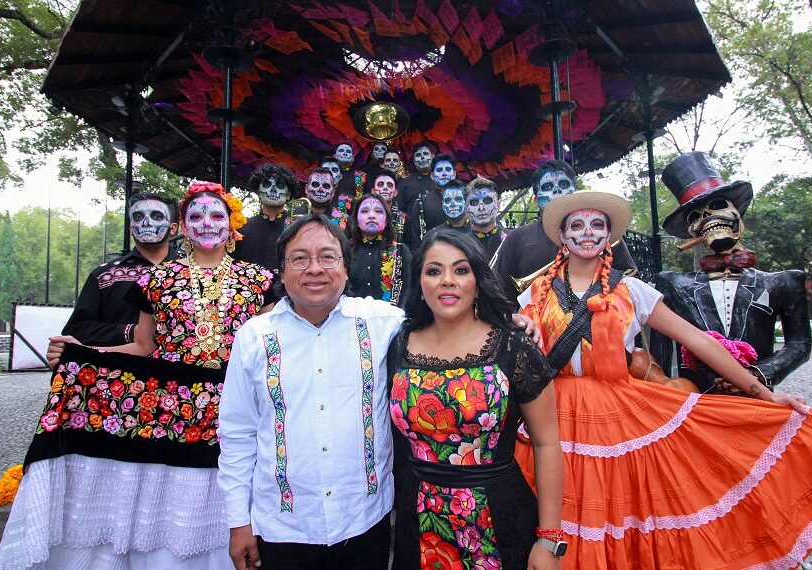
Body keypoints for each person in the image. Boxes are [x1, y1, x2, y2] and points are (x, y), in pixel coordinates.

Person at [514, 191, 812, 569]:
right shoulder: (534, 294)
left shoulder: (633, 291)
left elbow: (698, 341)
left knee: (623, 517)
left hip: (620, 419)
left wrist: (764, 395)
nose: (587, 232)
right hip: (550, 415)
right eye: (577, 225)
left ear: (609, 236)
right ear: (562, 236)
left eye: (597, 224)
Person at [0, 181, 276, 569]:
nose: (207, 223)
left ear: (232, 225)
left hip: (238, 408)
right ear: (183, 225)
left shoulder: (260, 280)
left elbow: (266, 350)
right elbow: (144, 346)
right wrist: (84, 354)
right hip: (173, 411)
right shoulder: (156, 280)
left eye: (216, 215)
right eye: (196, 216)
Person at [218, 214, 406, 570]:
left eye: (327, 257)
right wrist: (238, 522)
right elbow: (237, 434)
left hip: (364, 522)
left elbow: (446, 322)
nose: (314, 269)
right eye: (300, 258)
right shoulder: (254, 338)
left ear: (346, 268)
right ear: (282, 271)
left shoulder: (384, 324)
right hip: (282, 528)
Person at [387, 229, 563, 569]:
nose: (447, 280)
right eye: (434, 271)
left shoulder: (512, 345)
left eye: (461, 269)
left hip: (498, 517)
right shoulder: (398, 345)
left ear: (478, 281)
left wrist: (549, 539)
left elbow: (547, 444)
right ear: (420, 284)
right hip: (418, 521)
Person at [649, 152, 811, 393]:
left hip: (757, 400)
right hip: (698, 401)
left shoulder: (784, 283)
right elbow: (658, 352)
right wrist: (663, 393)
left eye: (717, 206)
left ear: (737, 212)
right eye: (695, 216)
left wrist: (758, 375)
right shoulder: (673, 285)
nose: (707, 218)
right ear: (693, 231)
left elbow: (799, 345)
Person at [492, 160, 637, 302]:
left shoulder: (601, 234)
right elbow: (501, 288)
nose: (557, 190)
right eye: (548, 186)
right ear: (536, 200)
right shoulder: (517, 237)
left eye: (564, 184)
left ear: (575, 191)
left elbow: (629, 277)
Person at [63, 192, 177, 346]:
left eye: (156, 216)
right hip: (121, 361)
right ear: (130, 228)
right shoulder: (104, 275)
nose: (146, 223)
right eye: (138, 217)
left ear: (173, 228)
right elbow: (77, 330)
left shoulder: (194, 271)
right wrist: (131, 332)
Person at [347, 193, 412, 307]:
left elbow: (408, 290)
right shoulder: (345, 249)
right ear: (356, 220)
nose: (371, 216)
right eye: (365, 211)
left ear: (386, 221)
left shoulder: (400, 251)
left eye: (378, 211)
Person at [234, 163, 300, 274]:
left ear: (288, 194)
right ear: (258, 192)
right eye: (267, 184)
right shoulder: (241, 228)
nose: (273, 190)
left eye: (280, 186)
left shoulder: (297, 226)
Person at [404, 152, 456, 251]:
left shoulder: (464, 199)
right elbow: (416, 241)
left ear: (454, 174)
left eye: (448, 169)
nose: (444, 173)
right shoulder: (421, 202)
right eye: (439, 170)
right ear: (432, 176)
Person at [465, 175, 507, 260]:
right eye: (474, 202)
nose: (481, 208)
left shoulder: (512, 239)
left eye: (487, 201)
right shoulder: (461, 244)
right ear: (466, 210)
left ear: (498, 206)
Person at [364, 168, 406, 241]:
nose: (385, 188)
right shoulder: (363, 215)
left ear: (395, 192)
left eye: (390, 185)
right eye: (380, 185)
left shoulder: (403, 218)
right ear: (373, 191)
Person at [396, 140, 437, 214]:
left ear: (432, 156)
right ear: (414, 161)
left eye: (425, 154)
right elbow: (399, 210)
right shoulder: (405, 183)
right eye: (418, 155)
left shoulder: (441, 179)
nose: (422, 157)